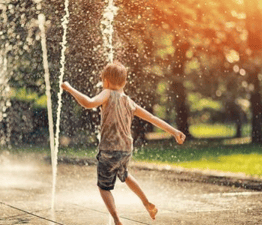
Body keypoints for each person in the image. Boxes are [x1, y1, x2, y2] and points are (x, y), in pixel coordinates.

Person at [61, 61, 186, 225]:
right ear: (125, 82)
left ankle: (117, 220)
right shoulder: (129, 101)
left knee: (104, 187)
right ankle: (146, 202)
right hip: (126, 150)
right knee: (124, 174)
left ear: (105, 81)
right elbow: (152, 118)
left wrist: (70, 88)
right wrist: (174, 131)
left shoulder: (106, 93)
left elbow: (88, 103)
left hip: (109, 150)